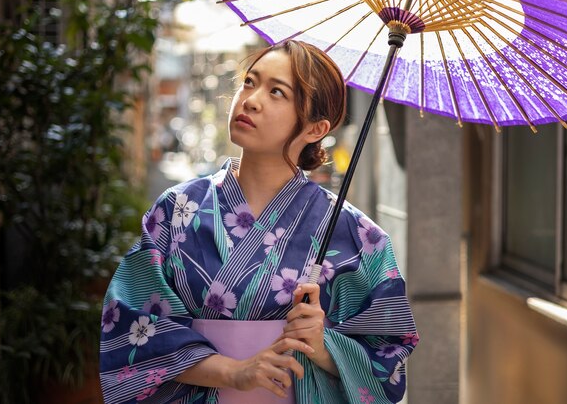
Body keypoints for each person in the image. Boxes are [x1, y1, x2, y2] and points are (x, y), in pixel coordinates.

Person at [99, 40, 418, 404]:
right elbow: (131, 327)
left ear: (316, 128)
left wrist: (324, 346)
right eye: (250, 82)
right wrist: (233, 371)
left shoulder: (358, 237)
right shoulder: (176, 210)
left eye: (277, 92)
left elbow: (389, 359)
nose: (250, 99)